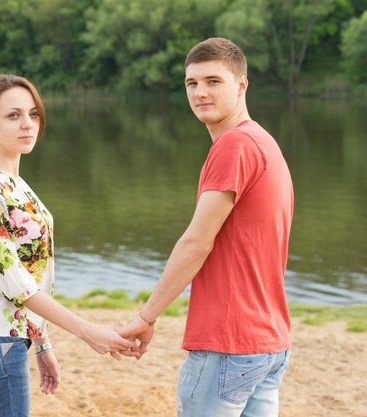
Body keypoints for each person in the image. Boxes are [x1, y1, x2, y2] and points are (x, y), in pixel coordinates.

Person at [119, 38, 294, 417]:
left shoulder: (235, 145)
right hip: (270, 342)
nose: (200, 92)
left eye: (213, 81)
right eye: (192, 83)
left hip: (229, 342)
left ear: (242, 85)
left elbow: (196, 243)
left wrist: (146, 317)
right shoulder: (264, 141)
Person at [0, 74, 137, 417]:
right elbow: (14, 281)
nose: (27, 124)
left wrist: (41, 343)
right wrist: (86, 331)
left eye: (33, 114)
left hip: (8, 334)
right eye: (13, 115)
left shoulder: (16, 183)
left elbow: (34, 270)